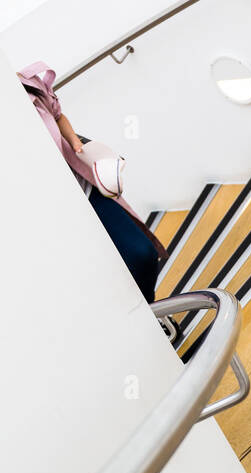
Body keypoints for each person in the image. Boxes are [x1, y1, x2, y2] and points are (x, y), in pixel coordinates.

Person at [18, 60, 167, 303]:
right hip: (51, 215)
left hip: (86, 190)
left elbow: (58, 116)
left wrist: (75, 143)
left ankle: (150, 314)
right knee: (95, 281)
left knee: (141, 255)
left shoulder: (28, 85)